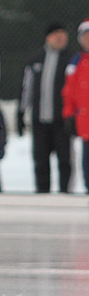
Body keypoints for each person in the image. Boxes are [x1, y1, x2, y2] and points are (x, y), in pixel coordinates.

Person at [18, 23, 74, 193]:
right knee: (40, 160)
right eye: (56, 34)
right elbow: (27, 88)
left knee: (65, 160)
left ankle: (65, 194)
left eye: (63, 34)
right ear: (48, 37)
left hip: (62, 120)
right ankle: (42, 193)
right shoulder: (36, 60)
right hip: (40, 120)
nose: (60, 38)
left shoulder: (71, 59)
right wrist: (20, 114)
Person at [62, 19, 89, 192]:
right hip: (84, 120)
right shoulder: (75, 62)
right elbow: (69, 91)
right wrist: (69, 114)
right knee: (86, 157)